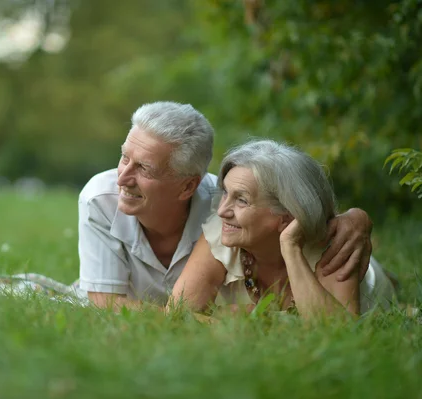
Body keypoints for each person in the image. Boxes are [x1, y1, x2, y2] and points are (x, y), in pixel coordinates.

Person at [78, 101, 375, 309]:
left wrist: (355, 218)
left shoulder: (224, 204)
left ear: (188, 186)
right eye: (124, 158)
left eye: (144, 168)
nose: (122, 178)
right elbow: (106, 303)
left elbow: (297, 208)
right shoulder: (100, 200)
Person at [170, 139, 396, 317]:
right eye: (226, 194)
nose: (222, 211)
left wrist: (290, 247)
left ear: (287, 217)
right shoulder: (223, 231)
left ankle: (394, 279)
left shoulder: (336, 245)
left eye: (242, 200)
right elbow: (179, 314)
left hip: (373, 283)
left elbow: (338, 333)